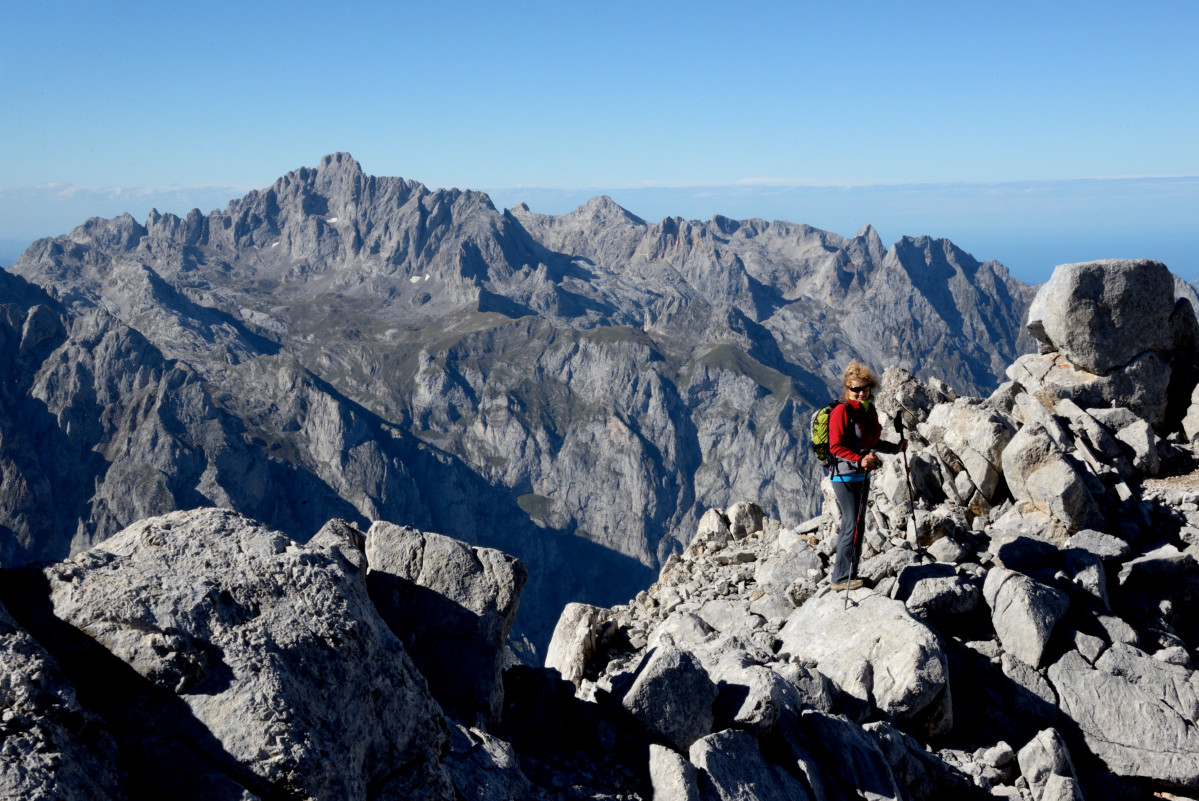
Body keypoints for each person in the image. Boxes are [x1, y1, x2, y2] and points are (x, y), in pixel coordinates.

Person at [827, 360, 903, 591]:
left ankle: (852, 574)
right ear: (846, 389)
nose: (860, 393)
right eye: (855, 389)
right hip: (844, 476)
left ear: (870, 387)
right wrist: (859, 459)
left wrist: (896, 448)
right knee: (851, 524)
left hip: (862, 475)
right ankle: (840, 579)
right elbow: (835, 446)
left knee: (859, 524)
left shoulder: (868, 410)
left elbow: (871, 442)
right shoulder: (842, 410)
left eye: (864, 388)